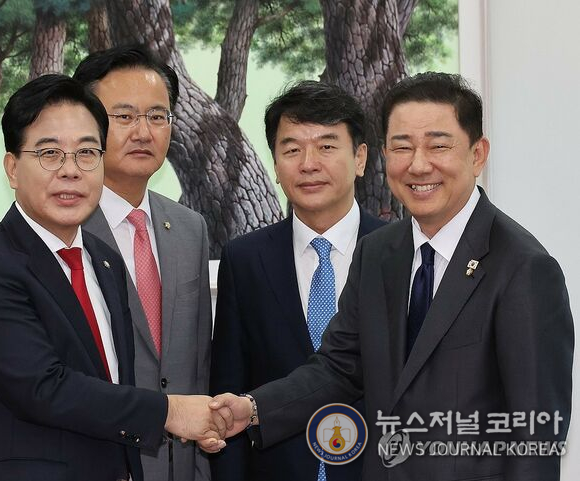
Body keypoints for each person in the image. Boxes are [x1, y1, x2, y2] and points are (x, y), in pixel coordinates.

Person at [209, 72, 574, 480]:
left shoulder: (523, 268)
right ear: (384, 155)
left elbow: (535, 438)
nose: (418, 165)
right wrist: (252, 409)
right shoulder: (379, 252)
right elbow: (339, 368)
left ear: (477, 154)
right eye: (402, 147)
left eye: (438, 145)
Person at [0, 74, 224, 481]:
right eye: (50, 154)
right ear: (12, 168)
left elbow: (113, 389)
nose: (71, 171)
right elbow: (46, 389)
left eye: (87, 153)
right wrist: (171, 412)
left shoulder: (104, 261)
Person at [210, 80, 385, 481]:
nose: (308, 164)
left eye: (326, 147)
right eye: (291, 150)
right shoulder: (246, 260)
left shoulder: (399, 252)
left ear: (359, 158)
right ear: (275, 164)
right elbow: (229, 389)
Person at [73, 45, 212, 480]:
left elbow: (198, 368)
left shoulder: (190, 228)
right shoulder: (66, 231)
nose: (143, 132)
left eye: (157, 116)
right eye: (125, 116)